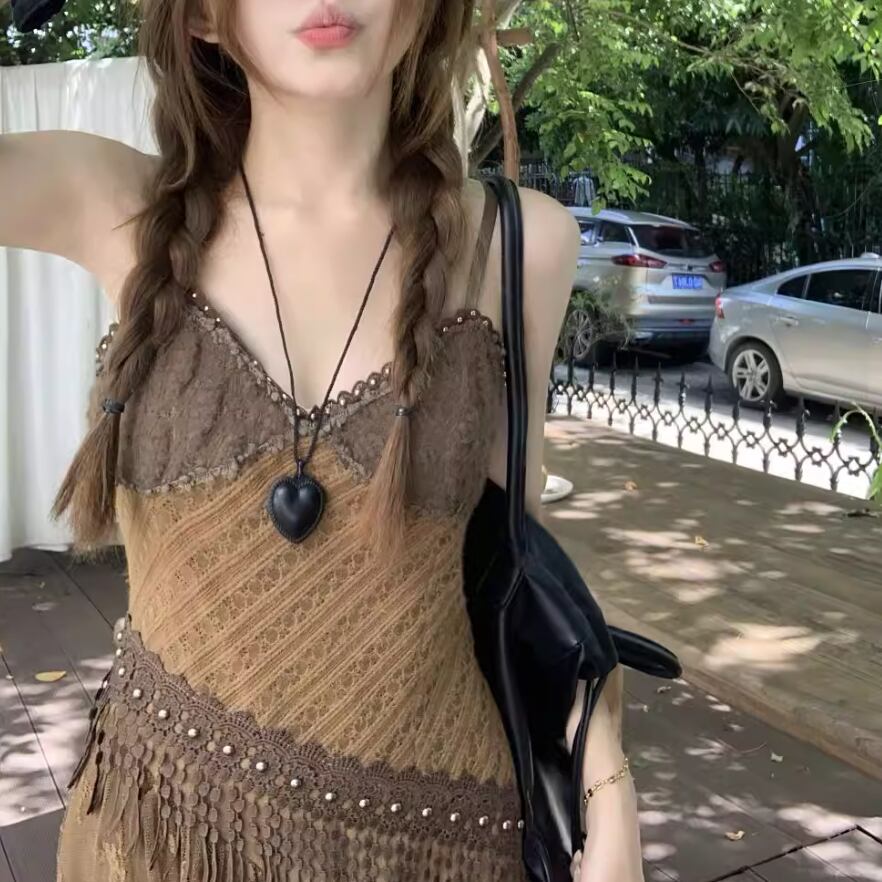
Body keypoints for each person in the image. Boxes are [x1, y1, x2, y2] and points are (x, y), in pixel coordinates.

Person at [0, 1, 643, 879]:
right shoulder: (111, 201)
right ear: (202, 17)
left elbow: (517, 557)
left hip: (436, 837)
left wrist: (606, 774)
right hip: (158, 833)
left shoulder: (519, 243)